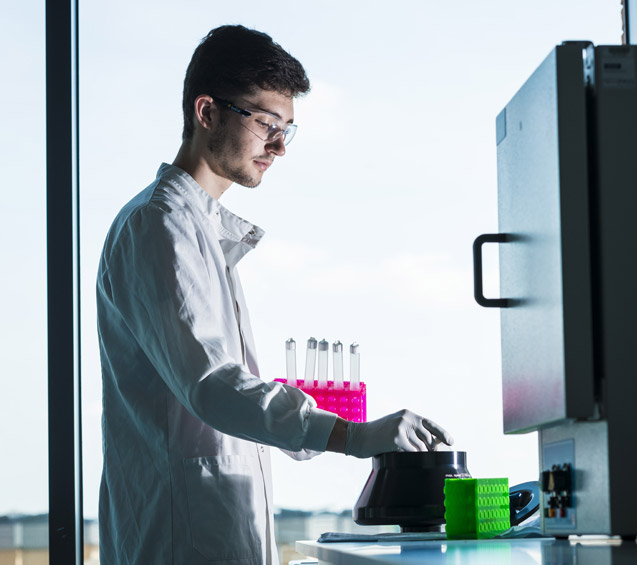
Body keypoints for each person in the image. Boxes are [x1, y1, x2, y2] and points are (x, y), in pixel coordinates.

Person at [96, 24, 453, 565]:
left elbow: (217, 393)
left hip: (212, 529)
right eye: (267, 123)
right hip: (179, 537)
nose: (280, 146)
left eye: (288, 128)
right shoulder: (159, 225)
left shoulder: (199, 230)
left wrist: (320, 423)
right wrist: (354, 437)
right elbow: (213, 387)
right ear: (207, 112)